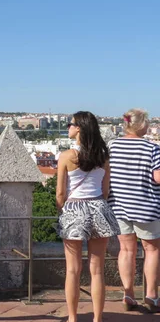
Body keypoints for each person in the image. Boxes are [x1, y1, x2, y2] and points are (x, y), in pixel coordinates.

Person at [56, 111, 120, 322]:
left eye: (70, 124)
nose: (68, 127)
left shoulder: (67, 156)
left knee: (73, 270)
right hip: (98, 206)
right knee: (97, 270)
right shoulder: (103, 156)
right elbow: (105, 190)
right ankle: (97, 318)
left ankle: (73, 318)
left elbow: (60, 194)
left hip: (74, 209)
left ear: (79, 128)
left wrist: (62, 210)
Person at [108, 108, 160, 313]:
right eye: (147, 123)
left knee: (126, 250)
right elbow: (158, 178)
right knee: (152, 249)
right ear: (140, 125)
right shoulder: (151, 148)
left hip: (119, 206)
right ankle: (152, 295)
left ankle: (128, 293)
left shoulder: (112, 146)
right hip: (146, 206)